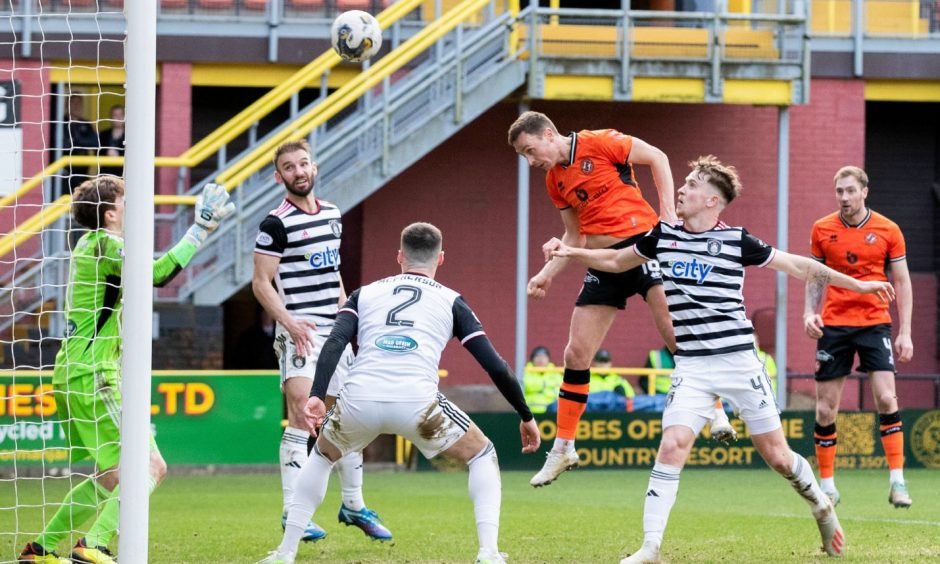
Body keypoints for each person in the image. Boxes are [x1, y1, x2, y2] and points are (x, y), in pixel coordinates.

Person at [546, 155, 896, 562]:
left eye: (691, 185)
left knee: (778, 457)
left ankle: (821, 505)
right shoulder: (662, 236)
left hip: (739, 363)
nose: (681, 189)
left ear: (712, 201)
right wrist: (569, 251)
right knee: (672, 445)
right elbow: (615, 260)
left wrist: (858, 284)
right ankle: (650, 547)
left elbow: (799, 266)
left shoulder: (737, 241)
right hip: (692, 365)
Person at [257, 222, 541, 564]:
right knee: (482, 455)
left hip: (359, 398)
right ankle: (489, 553)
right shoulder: (451, 301)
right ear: (441, 259)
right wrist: (525, 415)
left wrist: (318, 393)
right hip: (417, 404)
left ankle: (286, 552)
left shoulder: (365, 293)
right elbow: (496, 366)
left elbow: (334, 341)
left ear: (399, 257)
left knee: (321, 457)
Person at [18, 176, 235, 563]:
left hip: (73, 373)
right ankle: (93, 544)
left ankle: (41, 549)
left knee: (110, 475)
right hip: (92, 373)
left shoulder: (90, 245)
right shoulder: (106, 243)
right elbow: (158, 275)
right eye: (128, 199)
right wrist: (200, 229)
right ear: (111, 212)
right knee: (150, 465)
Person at [508, 111, 730, 486]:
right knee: (575, 354)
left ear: (548, 134)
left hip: (643, 249)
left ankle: (717, 409)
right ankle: (563, 447)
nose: (531, 161)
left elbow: (657, 156)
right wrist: (545, 274)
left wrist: (667, 216)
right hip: (603, 263)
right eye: (524, 156)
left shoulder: (599, 141)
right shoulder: (554, 180)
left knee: (673, 333)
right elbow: (574, 237)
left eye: (531, 150)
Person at [251, 139, 391, 543]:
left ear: (314, 168)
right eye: (289, 167)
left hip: (336, 332)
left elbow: (334, 275)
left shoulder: (332, 214)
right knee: (301, 414)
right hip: (299, 333)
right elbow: (261, 284)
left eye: (303, 164)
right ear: (279, 177)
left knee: (346, 419)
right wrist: (289, 323)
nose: (298, 172)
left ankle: (354, 504)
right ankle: (292, 512)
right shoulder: (274, 224)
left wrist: (350, 316)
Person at [805, 165, 914, 509]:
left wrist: (906, 331)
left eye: (851, 191)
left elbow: (902, 281)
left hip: (874, 322)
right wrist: (810, 312)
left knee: (886, 398)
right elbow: (815, 275)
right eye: (839, 191)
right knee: (826, 409)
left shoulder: (888, 229)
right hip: (835, 325)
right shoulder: (822, 229)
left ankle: (897, 482)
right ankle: (828, 487)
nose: (844, 198)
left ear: (865, 191)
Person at [59, 94, 99, 195]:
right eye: (74, 103)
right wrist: (82, 142)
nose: (77, 106)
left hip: (83, 171)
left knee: (83, 200)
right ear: (66, 105)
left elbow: (95, 143)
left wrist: (76, 141)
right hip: (64, 172)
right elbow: (64, 145)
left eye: (79, 103)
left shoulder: (86, 124)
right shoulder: (60, 123)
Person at [523, 345, 563, 414]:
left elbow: (560, 389)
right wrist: (547, 384)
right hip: (531, 411)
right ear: (532, 359)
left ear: (548, 359)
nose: (540, 359)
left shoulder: (555, 372)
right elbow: (527, 385)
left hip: (552, 410)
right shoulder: (526, 371)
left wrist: (540, 386)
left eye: (544, 357)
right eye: (537, 356)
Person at [97, 105, 125, 177]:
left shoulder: (130, 137)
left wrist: (118, 159)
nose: (118, 118)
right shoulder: (103, 135)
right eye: (115, 115)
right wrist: (107, 157)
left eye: (121, 115)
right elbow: (97, 155)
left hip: (123, 175)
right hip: (105, 175)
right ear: (110, 117)